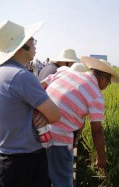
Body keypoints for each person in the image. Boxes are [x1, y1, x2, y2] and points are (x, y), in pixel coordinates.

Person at [42, 56, 119, 186]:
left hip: (36, 131)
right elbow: (97, 131)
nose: (107, 86)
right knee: (63, 182)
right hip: (58, 141)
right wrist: (102, 158)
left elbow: (39, 87)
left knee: (41, 175)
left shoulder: (64, 71)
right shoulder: (96, 96)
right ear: (102, 78)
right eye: (108, 82)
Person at [0, 20, 61, 186]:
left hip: (6, 158)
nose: (34, 45)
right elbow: (55, 115)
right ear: (22, 46)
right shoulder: (21, 76)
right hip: (26, 162)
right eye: (31, 40)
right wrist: (41, 113)